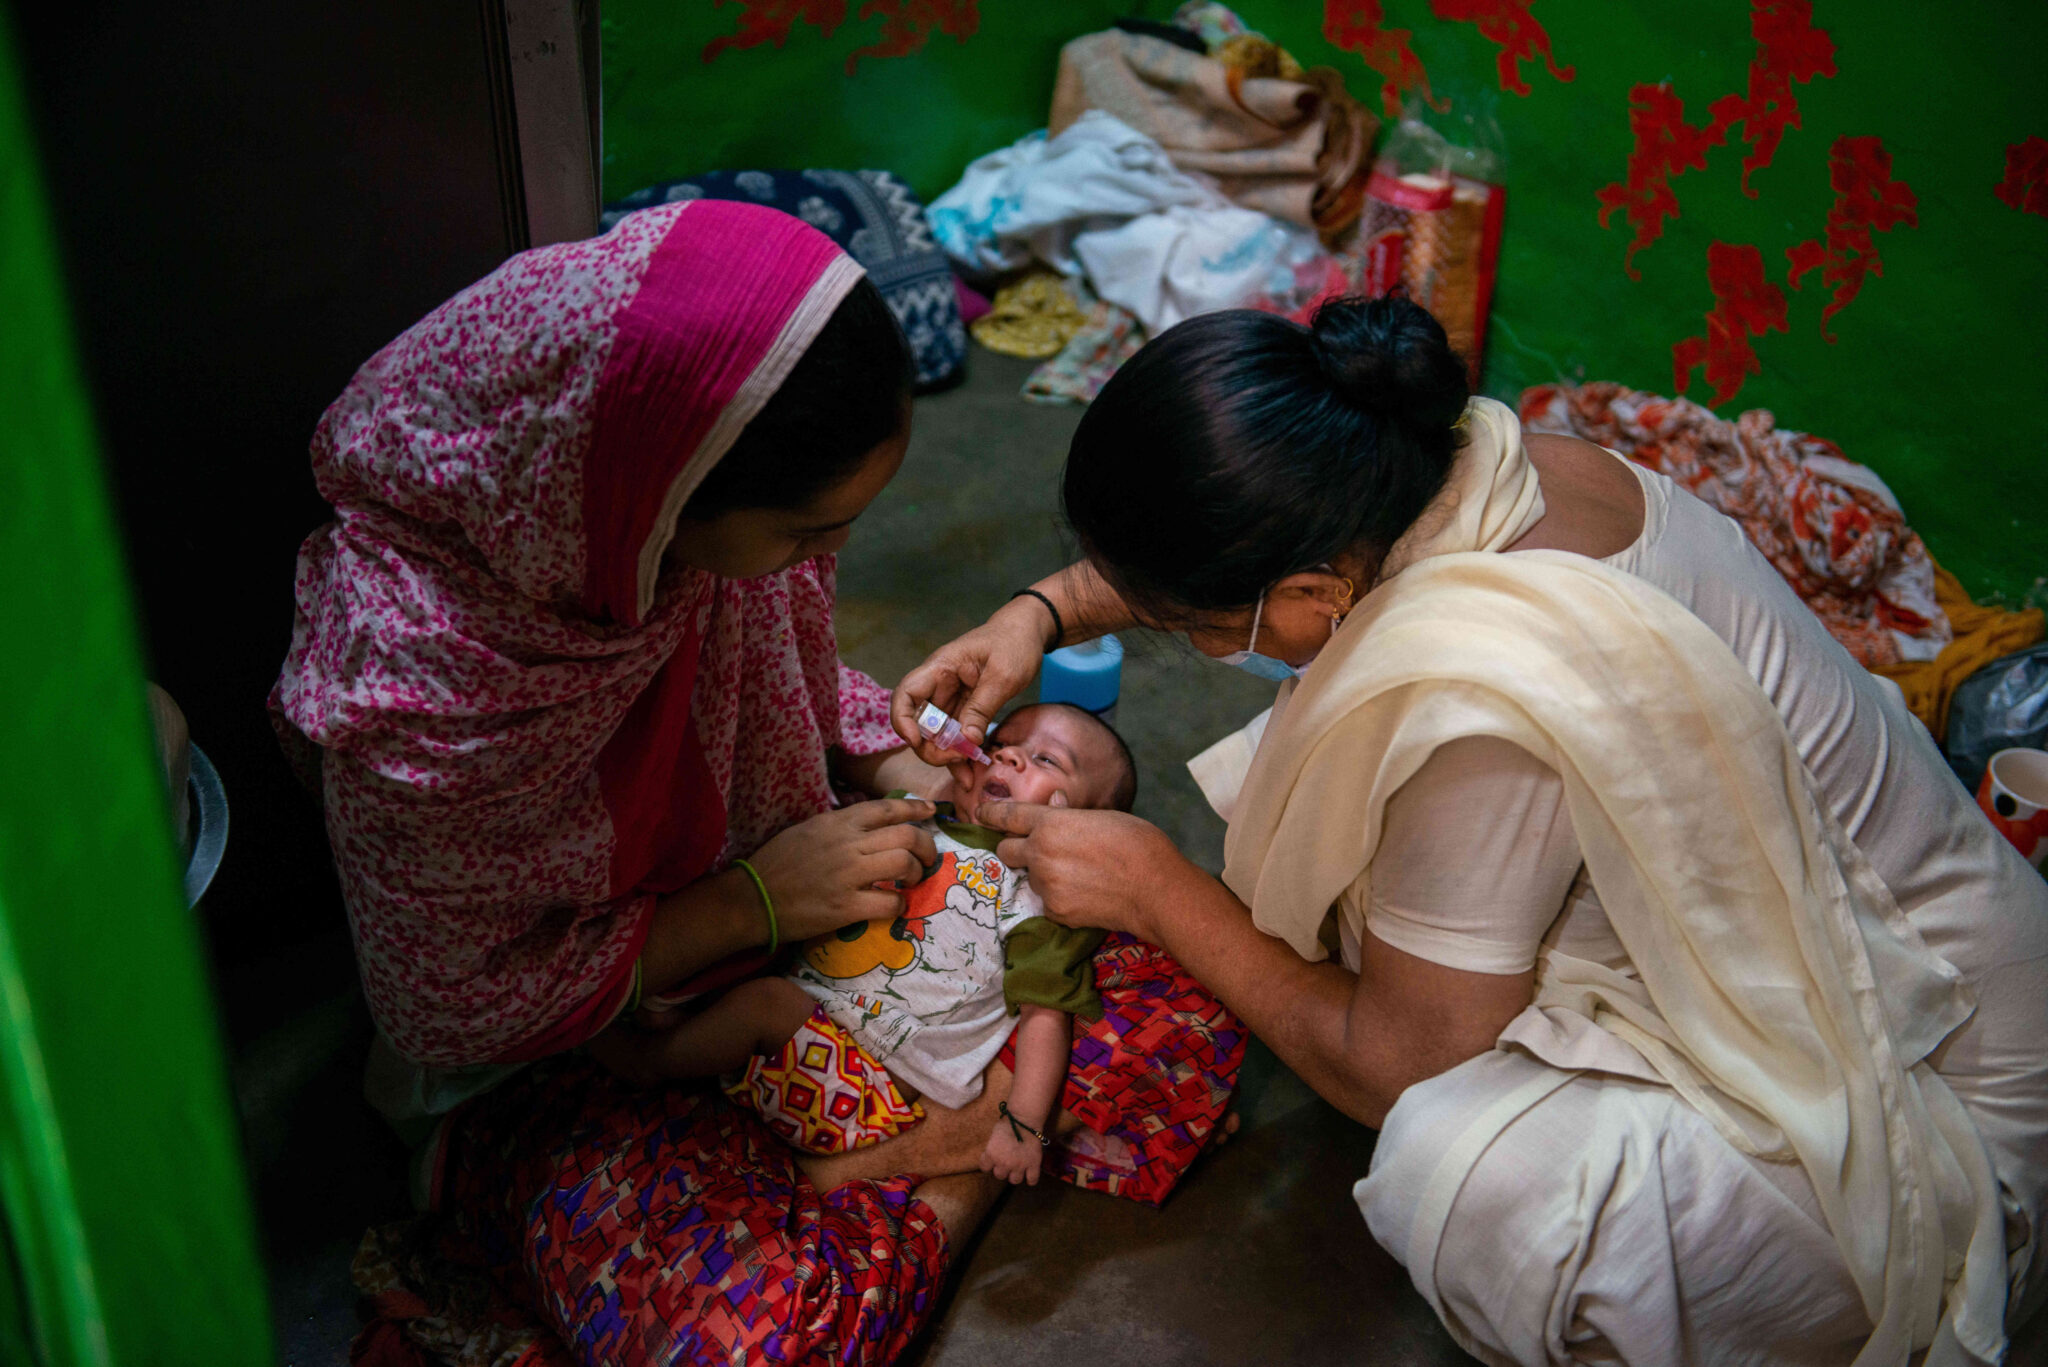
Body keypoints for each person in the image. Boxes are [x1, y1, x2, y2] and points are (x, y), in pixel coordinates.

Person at [894, 295, 2048, 1364]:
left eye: (1191, 622)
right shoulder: (1486, 469)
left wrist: (1157, 891)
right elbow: (1233, 578)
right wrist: (1037, 610)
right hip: (1945, 953)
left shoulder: (1486, 691)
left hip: (1938, 1105)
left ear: (1305, 589)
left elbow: (1401, 1063)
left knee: (1471, 1177)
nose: (1192, 644)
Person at [272, 200, 1239, 1366]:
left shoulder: (656, 545)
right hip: (571, 1056)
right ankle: (947, 1163)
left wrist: (894, 757)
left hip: (836, 989)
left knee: (1168, 985)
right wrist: (749, 906)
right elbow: (452, 1006)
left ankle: (917, 1154)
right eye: (802, 532)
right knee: (761, 1341)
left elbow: (776, 666)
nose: (821, 566)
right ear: (657, 500)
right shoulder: (426, 696)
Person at [620, 702, 1138, 1190]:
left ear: (1079, 822)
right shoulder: (923, 817)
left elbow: (1044, 1016)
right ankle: (681, 1025)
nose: (1005, 754)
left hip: (867, 1088)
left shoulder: (1036, 901)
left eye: (1045, 759)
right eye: (1002, 742)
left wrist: (1024, 1126)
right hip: (809, 1019)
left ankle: (647, 1062)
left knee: (763, 1003)